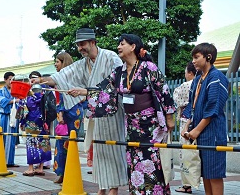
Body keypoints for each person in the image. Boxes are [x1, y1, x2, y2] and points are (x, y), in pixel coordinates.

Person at [68, 33, 176, 194]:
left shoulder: (149, 68)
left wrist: (169, 118)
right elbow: (104, 90)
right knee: (134, 163)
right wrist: (83, 92)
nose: (118, 46)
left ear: (133, 47)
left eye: (122, 43)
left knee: (151, 161)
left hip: (150, 125)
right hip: (131, 125)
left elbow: (164, 92)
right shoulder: (119, 72)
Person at [31, 28, 127, 195]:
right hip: (96, 114)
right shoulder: (83, 64)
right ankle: (102, 187)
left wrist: (85, 92)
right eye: (78, 45)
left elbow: (117, 83)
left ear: (93, 42)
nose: (80, 48)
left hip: (113, 111)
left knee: (113, 150)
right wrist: (40, 80)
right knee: (99, 151)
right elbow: (63, 76)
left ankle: (113, 188)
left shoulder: (110, 57)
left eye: (83, 44)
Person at [182, 43, 229, 195]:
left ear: (208, 57)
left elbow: (213, 108)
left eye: (196, 57)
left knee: (214, 174)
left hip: (213, 132)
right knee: (206, 174)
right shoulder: (198, 79)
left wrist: (196, 130)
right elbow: (191, 105)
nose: (193, 61)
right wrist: (187, 126)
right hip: (200, 131)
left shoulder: (217, 77)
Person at [51, 52, 84, 184]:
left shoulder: (73, 78)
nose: (55, 64)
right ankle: (62, 173)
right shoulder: (58, 80)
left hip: (72, 114)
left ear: (63, 63)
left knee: (69, 144)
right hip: (65, 113)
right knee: (62, 144)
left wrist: (60, 113)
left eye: (57, 62)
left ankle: (68, 172)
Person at [19, 71, 52, 176]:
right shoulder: (46, 90)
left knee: (32, 143)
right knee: (43, 143)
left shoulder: (27, 92)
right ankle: (41, 167)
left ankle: (31, 168)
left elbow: (22, 106)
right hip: (44, 120)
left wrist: (22, 121)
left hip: (32, 120)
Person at [173, 61, 199, 193]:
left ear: (190, 73)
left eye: (185, 73)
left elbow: (177, 100)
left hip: (186, 122)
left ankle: (187, 185)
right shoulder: (202, 83)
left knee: (186, 153)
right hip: (199, 122)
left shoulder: (186, 85)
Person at [0, 72, 20, 167]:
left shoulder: (16, 91)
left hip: (13, 117)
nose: (11, 81)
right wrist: (14, 101)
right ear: (5, 80)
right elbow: (1, 101)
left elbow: (21, 101)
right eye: (9, 79)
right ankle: (1, 160)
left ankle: (10, 161)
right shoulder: (0, 91)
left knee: (12, 138)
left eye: (13, 79)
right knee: (3, 137)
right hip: (4, 117)